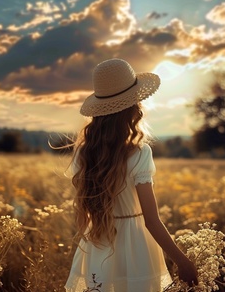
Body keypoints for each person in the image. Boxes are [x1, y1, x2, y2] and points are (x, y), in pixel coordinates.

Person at [65, 58, 198, 292]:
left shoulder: (83, 153)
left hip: (98, 243)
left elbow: (84, 213)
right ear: (132, 107)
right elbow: (152, 221)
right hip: (136, 247)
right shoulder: (139, 153)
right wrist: (183, 261)